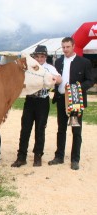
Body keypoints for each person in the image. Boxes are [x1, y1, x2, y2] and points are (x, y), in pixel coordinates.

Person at [11, 45, 62, 167]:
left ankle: (37, 156)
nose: (40, 59)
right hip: (30, 100)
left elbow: (59, 79)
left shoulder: (49, 68)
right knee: (25, 129)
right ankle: (21, 157)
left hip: (43, 102)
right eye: (38, 56)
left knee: (40, 129)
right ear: (34, 57)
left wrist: (52, 78)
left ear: (45, 57)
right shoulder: (30, 67)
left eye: (42, 56)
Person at [49, 37, 95, 170]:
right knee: (61, 129)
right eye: (63, 47)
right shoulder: (58, 62)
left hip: (75, 102)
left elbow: (90, 80)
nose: (65, 50)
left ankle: (75, 159)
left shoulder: (84, 62)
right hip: (61, 100)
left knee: (76, 130)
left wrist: (77, 88)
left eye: (67, 47)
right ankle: (59, 156)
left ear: (73, 46)